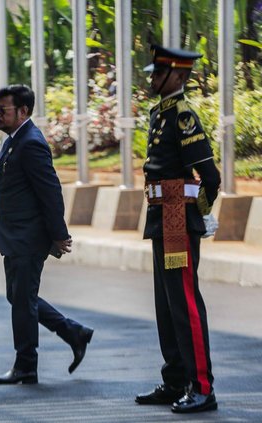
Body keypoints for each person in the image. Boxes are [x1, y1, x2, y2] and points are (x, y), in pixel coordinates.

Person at [0, 84, 94, 385]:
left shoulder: (31, 143)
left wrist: (58, 234)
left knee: (22, 299)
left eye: (3, 110)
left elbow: (50, 192)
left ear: (23, 111)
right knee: (19, 296)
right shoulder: (13, 141)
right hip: (15, 235)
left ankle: (26, 365)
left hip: (28, 237)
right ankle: (73, 332)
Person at [135, 45, 221, 413]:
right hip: (160, 216)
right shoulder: (160, 113)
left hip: (176, 220)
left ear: (179, 76)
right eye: (153, 72)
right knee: (166, 305)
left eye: (159, 72)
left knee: (184, 304)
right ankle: (175, 381)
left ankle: (202, 387)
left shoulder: (183, 116)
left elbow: (211, 178)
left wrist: (196, 215)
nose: (152, 78)